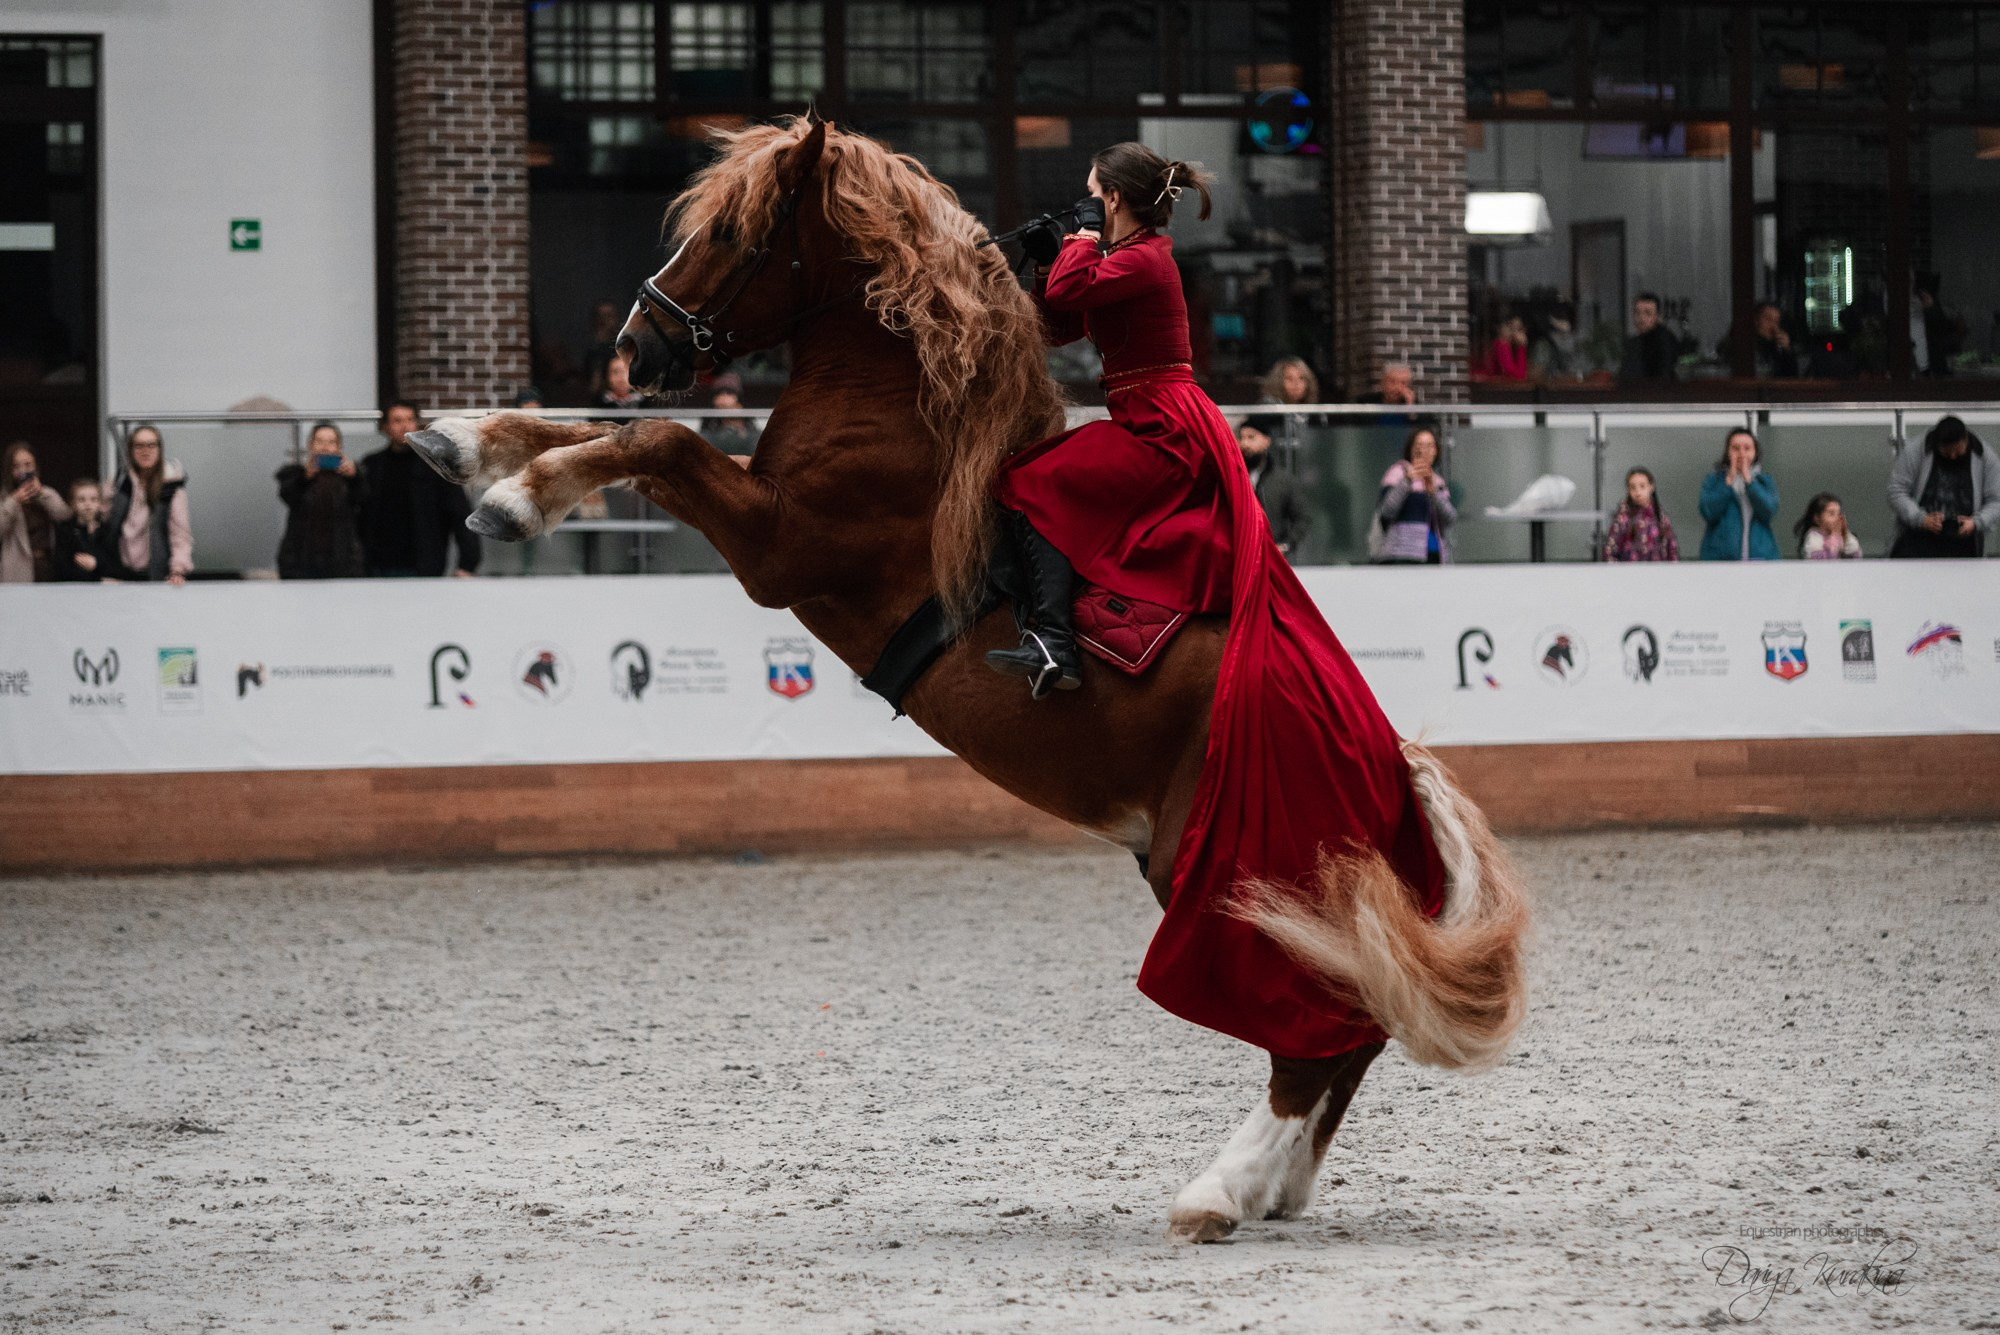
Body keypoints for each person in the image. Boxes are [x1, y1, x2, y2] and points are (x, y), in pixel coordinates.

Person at [993, 137, 1452, 1061]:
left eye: (1092, 197)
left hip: (1162, 425)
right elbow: (1054, 325)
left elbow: (1076, 293)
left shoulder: (1143, 258)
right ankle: (1064, 625)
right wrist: (1029, 259)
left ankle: (1052, 637)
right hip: (1152, 412)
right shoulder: (1128, 258)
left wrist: (1073, 246)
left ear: (1119, 201)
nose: (1084, 205)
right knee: (1045, 479)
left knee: (1028, 483)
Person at [359, 401, 481, 578]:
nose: (405, 426)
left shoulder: (435, 465)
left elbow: (460, 514)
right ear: (385, 427)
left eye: (409, 419)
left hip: (424, 564)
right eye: (397, 420)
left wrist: (468, 563)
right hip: (378, 564)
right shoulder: (373, 464)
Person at [1889, 414, 2000, 559]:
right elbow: (1897, 491)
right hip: (1917, 541)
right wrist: (1921, 519)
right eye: (1947, 453)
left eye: (1958, 451)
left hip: (1966, 544)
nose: (1953, 456)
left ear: (1965, 439)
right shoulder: (1915, 451)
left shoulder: (1985, 457)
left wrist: (1976, 523)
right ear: (1937, 443)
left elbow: (1996, 500)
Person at [275, 421, 368, 579]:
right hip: (300, 561)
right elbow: (287, 495)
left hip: (342, 560)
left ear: (339, 448)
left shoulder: (349, 478)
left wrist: (354, 477)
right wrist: (305, 478)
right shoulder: (296, 474)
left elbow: (364, 498)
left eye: (331, 442)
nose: (325, 447)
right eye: (320, 441)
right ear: (310, 445)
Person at [106, 424, 193, 583]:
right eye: (139, 445)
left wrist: (178, 571)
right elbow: (103, 523)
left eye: (151, 445)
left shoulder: (171, 487)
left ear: (159, 449)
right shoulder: (120, 482)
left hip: (155, 574)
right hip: (120, 574)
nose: (145, 451)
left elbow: (180, 535)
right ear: (131, 450)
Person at [1370, 426, 1455, 564]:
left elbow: (1450, 518)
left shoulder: (1438, 481)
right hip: (1401, 555)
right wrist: (1407, 481)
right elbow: (1386, 511)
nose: (1424, 450)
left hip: (1434, 555)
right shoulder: (1397, 473)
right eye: (1419, 445)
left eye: (1430, 446)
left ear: (1436, 451)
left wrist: (1433, 491)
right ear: (1411, 449)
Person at [1697, 428, 1781, 561]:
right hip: (1721, 561)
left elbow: (1769, 511)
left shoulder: (1764, 481)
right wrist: (1728, 483)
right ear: (1728, 452)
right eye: (1736, 448)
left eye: (1747, 448)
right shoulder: (1713, 480)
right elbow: (1708, 512)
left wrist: (1750, 483)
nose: (1741, 453)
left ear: (1755, 452)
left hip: (1760, 559)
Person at [1236, 417, 1309, 559]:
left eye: (1251, 437)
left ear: (1266, 441)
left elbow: (1302, 517)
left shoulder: (1282, 479)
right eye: (1241, 437)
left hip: (1272, 559)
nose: (1244, 444)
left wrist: (1286, 545)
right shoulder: (1233, 477)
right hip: (1240, 558)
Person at [1, 440, 73, 583]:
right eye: (16, 466)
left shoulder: (46, 493)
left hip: (47, 566)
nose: (23, 471)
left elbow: (65, 515)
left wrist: (42, 494)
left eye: (28, 465)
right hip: (17, 569)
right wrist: (14, 501)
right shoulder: (4, 498)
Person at [1601, 466, 1679, 562]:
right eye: (1633, 487)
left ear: (1651, 486)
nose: (1638, 492)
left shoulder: (1660, 516)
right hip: (1628, 573)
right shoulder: (1623, 517)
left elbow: (1671, 549)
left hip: (1657, 572)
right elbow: (1609, 551)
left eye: (1642, 486)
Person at [52, 477, 119, 581]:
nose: (88, 505)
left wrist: (96, 564)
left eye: (93, 499)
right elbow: (62, 568)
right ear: (72, 504)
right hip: (73, 590)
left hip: (102, 592)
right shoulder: (65, 531)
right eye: (81, 500)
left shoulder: (107, 530)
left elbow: (115, 566)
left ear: (100, 503)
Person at [1619, 292, 1679, 384]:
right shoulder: (1633, 343)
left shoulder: (1664, 341)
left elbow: (1663, 375)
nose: (1641, 318)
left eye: (1648, 313)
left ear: (1657, 316)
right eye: (1637, 313)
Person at [699, 372, 759, 455]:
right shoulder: (706, 437)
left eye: (729, 393)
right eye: (719, 393)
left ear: (740, 404)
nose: (724, 398)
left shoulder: (755, 436)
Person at [1794, 492, 1862, 559]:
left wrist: (1845, 536)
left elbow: (1856, 555)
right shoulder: (1813, 536)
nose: (1837, 518)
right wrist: (1834, 537)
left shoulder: (1842, 534)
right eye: (1831, 514)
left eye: (1839, 514)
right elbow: (1822, 560)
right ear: (1817, 518)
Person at [1476, 314, 1529, 381]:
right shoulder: (1501, 345)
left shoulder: (1506, 345)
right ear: (1500, 327)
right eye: (1511, 327)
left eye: (1518, 329)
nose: (1515, 333)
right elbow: (1519, 376)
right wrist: (1521, 347)